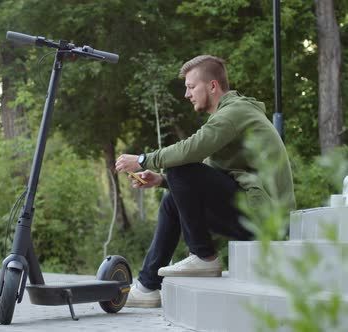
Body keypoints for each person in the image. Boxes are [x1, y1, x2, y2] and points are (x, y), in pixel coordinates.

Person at [114, 55, 295, 308]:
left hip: (268, 219)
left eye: (191, 87)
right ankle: (147, 287)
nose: (187, 94)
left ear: (212, 86)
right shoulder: (230, 115)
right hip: (253, 211)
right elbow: (209, 174)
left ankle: (204, 256)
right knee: (171, 200)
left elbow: (191, 151)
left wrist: (144, 160)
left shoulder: (234, 113)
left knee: (180, 165)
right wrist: (161, 180)